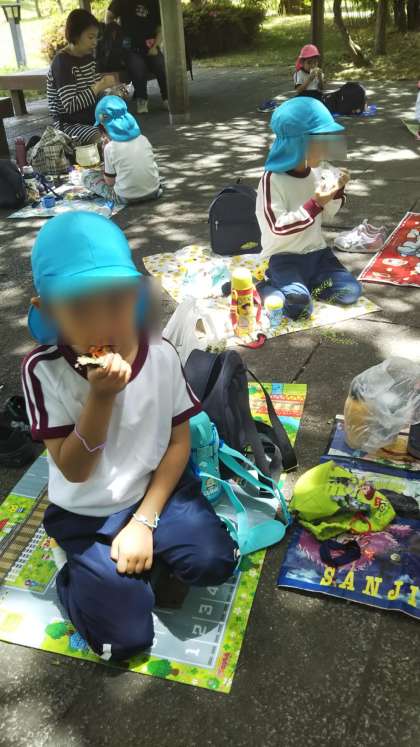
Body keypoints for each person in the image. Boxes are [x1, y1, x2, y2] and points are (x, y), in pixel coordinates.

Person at [22, 212, 238, 661]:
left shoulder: (160, 354)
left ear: (136, 294)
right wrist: (100, 398)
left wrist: (144, 521)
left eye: (116, 300)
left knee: (215, 562)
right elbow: (75, 470)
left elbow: (178, 444)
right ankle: (74, 574)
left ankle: (140, 554)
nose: (103, 322)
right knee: (123, 642)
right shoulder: (42, 371)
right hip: (87, 511)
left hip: (158, 491)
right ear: (47, 310)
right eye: (79, 307)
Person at [255, 97, 362, 321]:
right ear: (298, 143)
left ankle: (299, 286)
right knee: (299, 308)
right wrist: (316, 203)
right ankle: (265, 286)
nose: (326, 148)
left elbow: (329, 212)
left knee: (350, 292)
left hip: (318, 254)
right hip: (284, 257)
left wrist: (337, 192)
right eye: (320, 141)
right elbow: (278, 227)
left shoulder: (318, 169)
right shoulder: (272, 179)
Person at [47, 9, 116, 145]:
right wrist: (99, 86)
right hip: (68, 125)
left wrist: (111, 92)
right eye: (90, 37)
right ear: (75, 35)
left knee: (123, 125)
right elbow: (70, 106)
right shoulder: (62, 63)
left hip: (91, 119)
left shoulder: (88, 59)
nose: (95, 42)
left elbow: (95, 93)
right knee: (100, 138)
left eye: (96, 37)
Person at [81, 95, 161, 203]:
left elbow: (110, 182)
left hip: (125, 197)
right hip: (154, 191)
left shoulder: (110, 148)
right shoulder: (143, 139)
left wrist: (105, 156)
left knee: (86, 175)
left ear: (105, 128)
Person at [105, 0, 167, 114]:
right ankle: (142, 99)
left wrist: (155, 46)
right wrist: (115, 35)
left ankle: (167, 98)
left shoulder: (154, 3)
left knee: (160, 64)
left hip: (150, 45)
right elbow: (109, 16)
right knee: (137, 66)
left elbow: (160, 28)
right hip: (129, 47)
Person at [294, 44, 366, 116]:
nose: (312, 65)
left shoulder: (318, 72)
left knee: (328, 103)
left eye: (315, 62)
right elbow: (299, 90)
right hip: (304, 96)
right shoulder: (299, 74)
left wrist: (320, 78)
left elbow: (321, 88)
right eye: (309, 62)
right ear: (302, 63)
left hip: (316, 95)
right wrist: (309, 79)